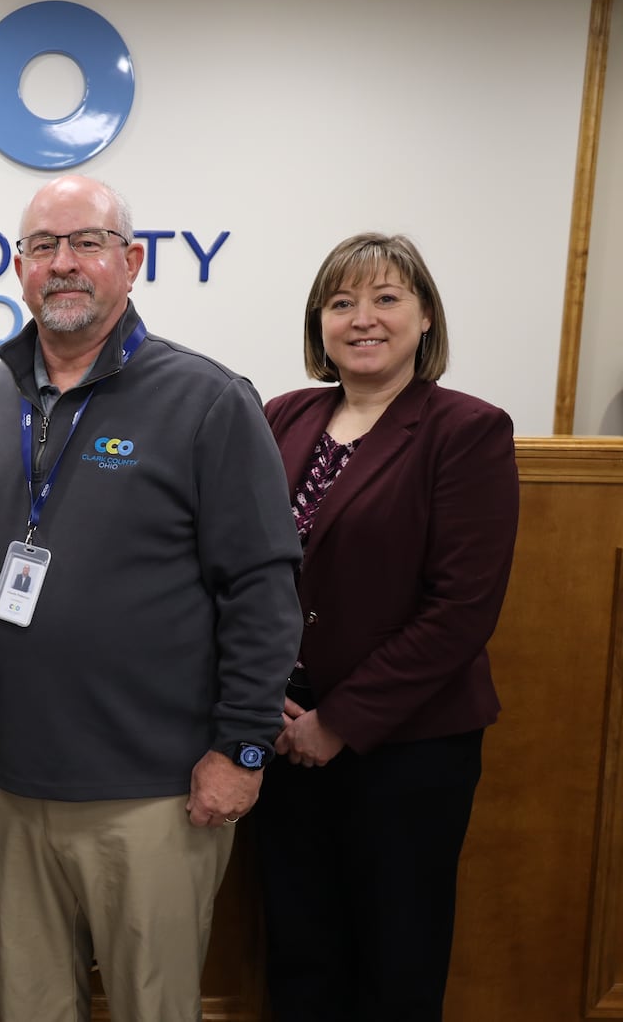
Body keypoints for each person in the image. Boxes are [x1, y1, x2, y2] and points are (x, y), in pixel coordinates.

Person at [0, 174, 302, 1021]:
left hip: (158, 793)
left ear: (130, 262)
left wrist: (242, 750)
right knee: (31, 1007)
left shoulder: (208, 400)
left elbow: (262, 586)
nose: (63, 264)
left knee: (152, 1008)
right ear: (18, 266)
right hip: (10, 785)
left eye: (86, 243)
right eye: (43, 247)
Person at [255, 233, 519, 1021]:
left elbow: (461, 608)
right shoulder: (281, 416)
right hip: (278, 733)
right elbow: (236, 571)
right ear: (319, 324)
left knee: (395, 964)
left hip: (406, 748)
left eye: (386, 298)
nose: (362, 318)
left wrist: (339, 720)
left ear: (426, 316)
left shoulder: (466, 430)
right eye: (341, 303)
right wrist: (259, 699)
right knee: (299, 954)